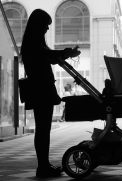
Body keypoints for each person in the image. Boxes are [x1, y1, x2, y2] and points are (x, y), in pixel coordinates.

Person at [20, 9, 80, 178]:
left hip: (41, 88)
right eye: (46, 25)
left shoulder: (33, 42)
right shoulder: (33, 43)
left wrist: (66, 54)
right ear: (38, 25)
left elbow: (49, 57)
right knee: (43, 129)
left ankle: (44, 165)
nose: (47, 29)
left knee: (43, 129)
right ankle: (43, 167)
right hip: (40, 89)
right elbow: (46, 56)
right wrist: (65, 52)